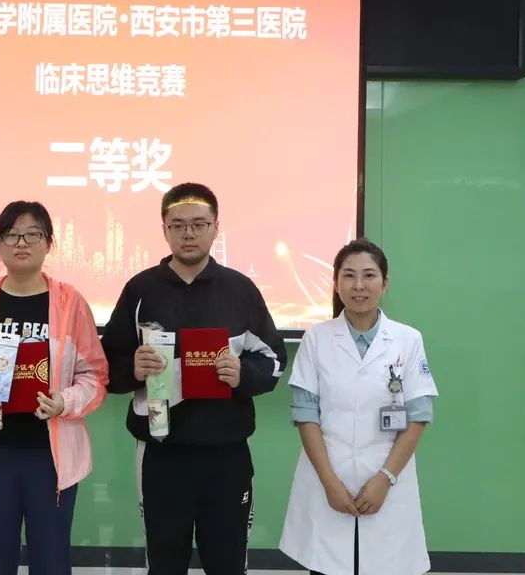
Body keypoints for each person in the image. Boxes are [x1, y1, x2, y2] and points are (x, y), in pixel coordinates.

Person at [100, 182, 287, 575]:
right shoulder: (140, 289)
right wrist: (132, 369)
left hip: (227, 452)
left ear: (216, 227)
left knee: (228, 563)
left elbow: (273, 360)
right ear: (164, 229)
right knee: (164, 564)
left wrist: (243, 374)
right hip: (160, 453)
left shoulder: (240, 290)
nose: (189, 233)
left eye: (199, 224)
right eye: (179, 225)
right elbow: (104, 366)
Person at [0, 200, 108, 575]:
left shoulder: (69, 303)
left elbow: (95, 376)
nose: (22, 243)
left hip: (52, 457)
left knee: (51, 562)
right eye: (11, 235)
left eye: (33, 234)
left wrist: (64, 401)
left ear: (49, 243)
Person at [279, 238, 438, 575]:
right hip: (327, 478)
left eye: (369, 275)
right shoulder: (316, 338)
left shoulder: (408, 340)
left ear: (385, 283)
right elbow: (305, 415)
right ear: (336, 283)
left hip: (388, 481)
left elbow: (418, 417)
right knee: (327, 566)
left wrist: (385, 478)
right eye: (349, 276)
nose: (359, 286)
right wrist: (329, 482)